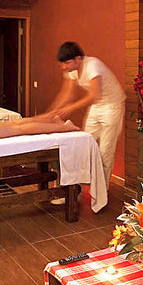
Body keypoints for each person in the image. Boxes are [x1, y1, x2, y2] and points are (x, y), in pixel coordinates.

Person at [47, 42, 125, 184]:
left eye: (67, 63)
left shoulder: (92, 65)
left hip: (112, 106)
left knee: (105, 152)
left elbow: (95, 95)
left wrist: (70, 108)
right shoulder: (71, 71)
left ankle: (102, 190)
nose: (64, 67)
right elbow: (67, 94)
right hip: (97, 106)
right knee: (84, 144)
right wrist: (50, 112)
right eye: (62, 63)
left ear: (78, 59)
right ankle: (78, 187)